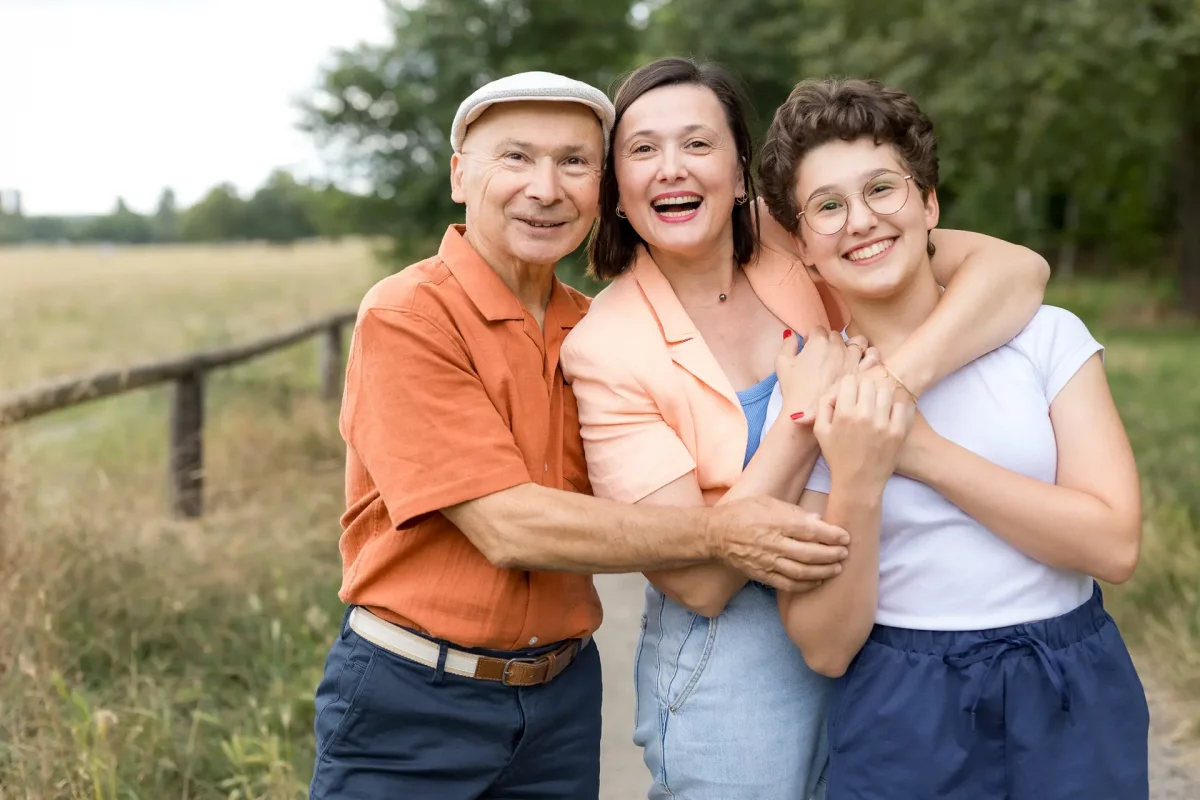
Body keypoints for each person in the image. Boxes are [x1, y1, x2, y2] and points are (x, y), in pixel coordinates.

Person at [308, 71, 859, 800]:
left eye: (573, 162)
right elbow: (508, 526)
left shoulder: (585, 324)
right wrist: (727, 534)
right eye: (516, 158)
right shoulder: (409, 314)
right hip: (416, 694)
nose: (545, 187)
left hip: (559, 698)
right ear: (459, 176)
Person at [559, 57, 1051, 800]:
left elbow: (1016, 273)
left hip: (880, 611)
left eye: (697, 144)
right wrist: (802, 417)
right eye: (642, 150)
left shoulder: (800, 234)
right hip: (737, 656)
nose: (671, 170)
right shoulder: (604, 346)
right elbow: (697, 579)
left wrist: (888, 384)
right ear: (616, 193)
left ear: (739, 171)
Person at [760, 77, 1148, 799]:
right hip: (902, 702)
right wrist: (861, 481)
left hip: (1069, 681)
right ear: (804, 246)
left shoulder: (1045, 338)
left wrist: (925, 455)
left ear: (929, 203)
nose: (861, 220)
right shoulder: (817, 387)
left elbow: (1114, 545)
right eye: (828, 206)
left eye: (883, 188)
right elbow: (824, 645)